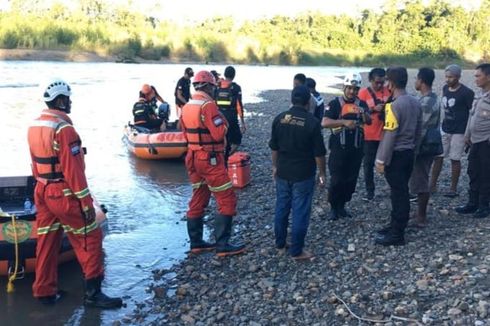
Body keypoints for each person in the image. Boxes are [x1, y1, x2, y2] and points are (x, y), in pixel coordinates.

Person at [27, 79, 122, 308]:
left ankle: (44, 291)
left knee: (47, 241)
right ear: (61, 100)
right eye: (68, 99)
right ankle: (93, 294)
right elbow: (74, 171)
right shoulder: (64, 129)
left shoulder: (35, 125)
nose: (70, 103)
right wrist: (86, 203)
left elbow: (33, 163)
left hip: (42, 190)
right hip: (64, 193)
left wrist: (42, 187)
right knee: (90, 237)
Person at [181, 70, 246, 257]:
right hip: (210, 159)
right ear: (209, 86)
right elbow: (219, 132)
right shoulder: (208, 106)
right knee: (227, 198)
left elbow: (184, 133)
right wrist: (224, 122)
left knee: (199, 197)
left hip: (192, 157)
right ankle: (223, 244)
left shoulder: (187, 106)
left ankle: (196, 242)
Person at [269, 85, 327, 260]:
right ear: (309, 101)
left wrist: (274, 166)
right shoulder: (312, 123)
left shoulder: (279, 119)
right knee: (300, 212)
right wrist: (322, 173)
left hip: (283, 171)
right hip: (303, 174)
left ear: (292, 99)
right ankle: (297, 251)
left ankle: (280, 242)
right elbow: (319, 153)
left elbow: (274, 147)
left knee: (282, 207)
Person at [374, 67, 422, 246]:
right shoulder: (415, 102)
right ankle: (395, 225)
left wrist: (381, 159)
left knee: (399, 194)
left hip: (396, 155)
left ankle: (397, 233)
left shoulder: (394, 105)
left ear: (391, 83)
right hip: (409, 152)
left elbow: (390, 134)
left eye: (387, 81)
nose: (386, 84)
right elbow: (419, 130)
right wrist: (414, 150)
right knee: (400, 191)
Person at [322, 72, 371, 220]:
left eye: (355, 89)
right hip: (338, 150)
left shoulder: (361, 104)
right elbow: (324, 122)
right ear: (344, 87)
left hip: (356, 150)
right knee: (337, 180)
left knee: (351, 180)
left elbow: (369, 121)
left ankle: (342, 206)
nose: (352, 92)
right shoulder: (335, 104)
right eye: (349, 88)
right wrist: (343, 122)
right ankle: (333, 207)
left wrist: (364, 115)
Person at [430, 64, 475, 197]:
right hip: (445, 127)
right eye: (446, 76)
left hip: (459, 131)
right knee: (438, 156)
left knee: (455, 159)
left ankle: (453, 188)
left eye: (451, 77)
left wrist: (469, 133)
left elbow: (472, 113)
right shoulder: (445, 88)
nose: (447, 79)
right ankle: (432, 185)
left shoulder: (467, 93)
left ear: (458, 77)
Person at [455, 63, 490, 219]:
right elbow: (472, 116)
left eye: (478, 76)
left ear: (488, 77)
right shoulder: (480, 95)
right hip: (474, 141)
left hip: (486, 142)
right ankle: (473, 202)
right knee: (473, 171)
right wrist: (467, 135)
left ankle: (484, 205)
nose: (475, 78)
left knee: (485, 174)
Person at [409, 67, 441, 227]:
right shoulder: (431, 98)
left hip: (424, 147)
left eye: (416, 79)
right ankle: (419, 213)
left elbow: (422, 128)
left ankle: (421, 216)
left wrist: (413, 149)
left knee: (421, 179)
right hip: (428, 144)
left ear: (421, 81)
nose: (415, 81)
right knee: (420, 177)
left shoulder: (427, 101)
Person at [358, 68, 390, 201]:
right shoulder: (363, 93)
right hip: (369, 135)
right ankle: (370, 191)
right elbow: (358, 111)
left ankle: (394, 188)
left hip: (385, 134)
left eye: (382, 82)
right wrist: (372, 109)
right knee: (368, 164)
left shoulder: (389, 91)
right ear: (371, 80)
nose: (379, 85)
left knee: (389, 163)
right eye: (377, 82)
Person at [216, 66, 247, 162]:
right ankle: (226, 157)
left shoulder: (217, 86)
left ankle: (221, 157)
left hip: (219, 117)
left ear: (225, 74)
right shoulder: (236, 88)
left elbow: (213, 103)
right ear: (234, 75)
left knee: (221, 139)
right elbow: (239, 105)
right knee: (237, 140)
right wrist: (242, 122)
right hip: (231, 118)